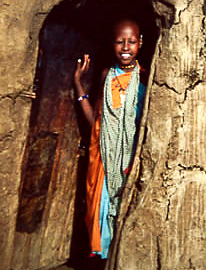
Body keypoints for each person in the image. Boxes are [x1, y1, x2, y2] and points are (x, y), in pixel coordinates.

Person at [73, 19, 147, 259]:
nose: (125, 47)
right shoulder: (107, 76)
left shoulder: (146, 78)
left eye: (132, 41)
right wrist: (78, 84)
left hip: (129, 161)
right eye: (119, 41)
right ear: (112, 43)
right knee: (102, 213)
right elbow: (96, 120)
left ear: (140, 43)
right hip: (104, 158)